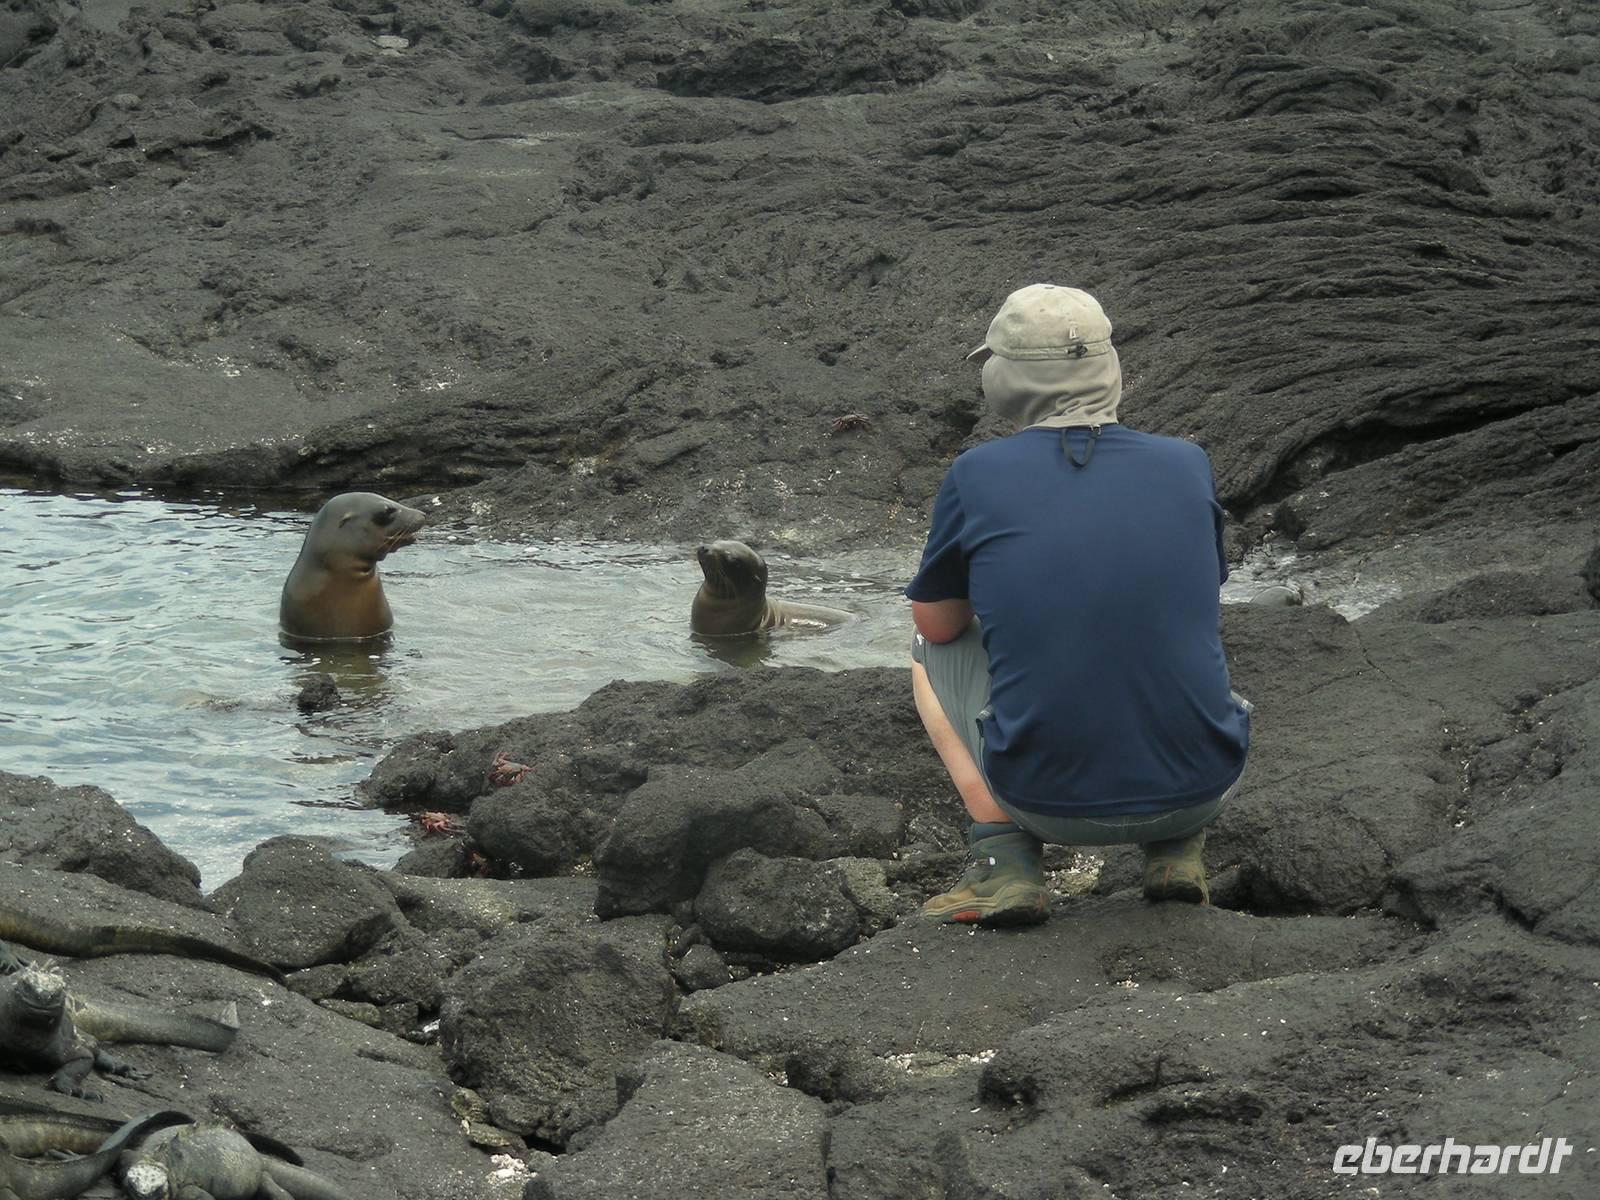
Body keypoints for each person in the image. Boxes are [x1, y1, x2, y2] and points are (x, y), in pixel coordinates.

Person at [905, 283, 1251, 925]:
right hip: (1205, 785)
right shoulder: (1186, 463)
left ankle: (1002, 862)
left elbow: (938, 622)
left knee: (925, 648)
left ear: (1007, 377)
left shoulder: (977, 475)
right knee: (1159, 619)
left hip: (1044, 801)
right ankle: (1175, 850)